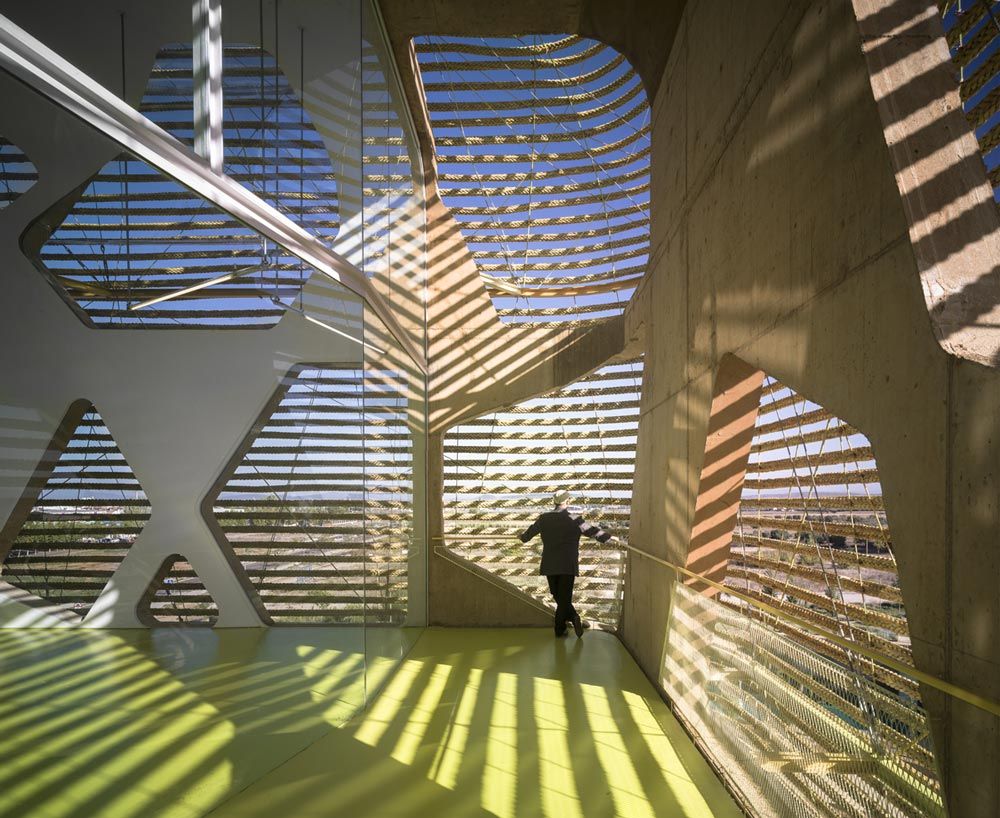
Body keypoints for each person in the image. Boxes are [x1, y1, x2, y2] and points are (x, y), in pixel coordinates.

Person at [519, 489, 617, 638]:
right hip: (568, 564)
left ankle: (562, 627)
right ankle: (571, 619)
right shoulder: (575, 519)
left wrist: (521, 537)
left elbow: (528, 535)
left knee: (557, 595)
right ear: (567, 501)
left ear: (554, 502)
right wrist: (610, 538)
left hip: (550, 563)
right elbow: (593, 531)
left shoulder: (544, 518)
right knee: (563, 598)